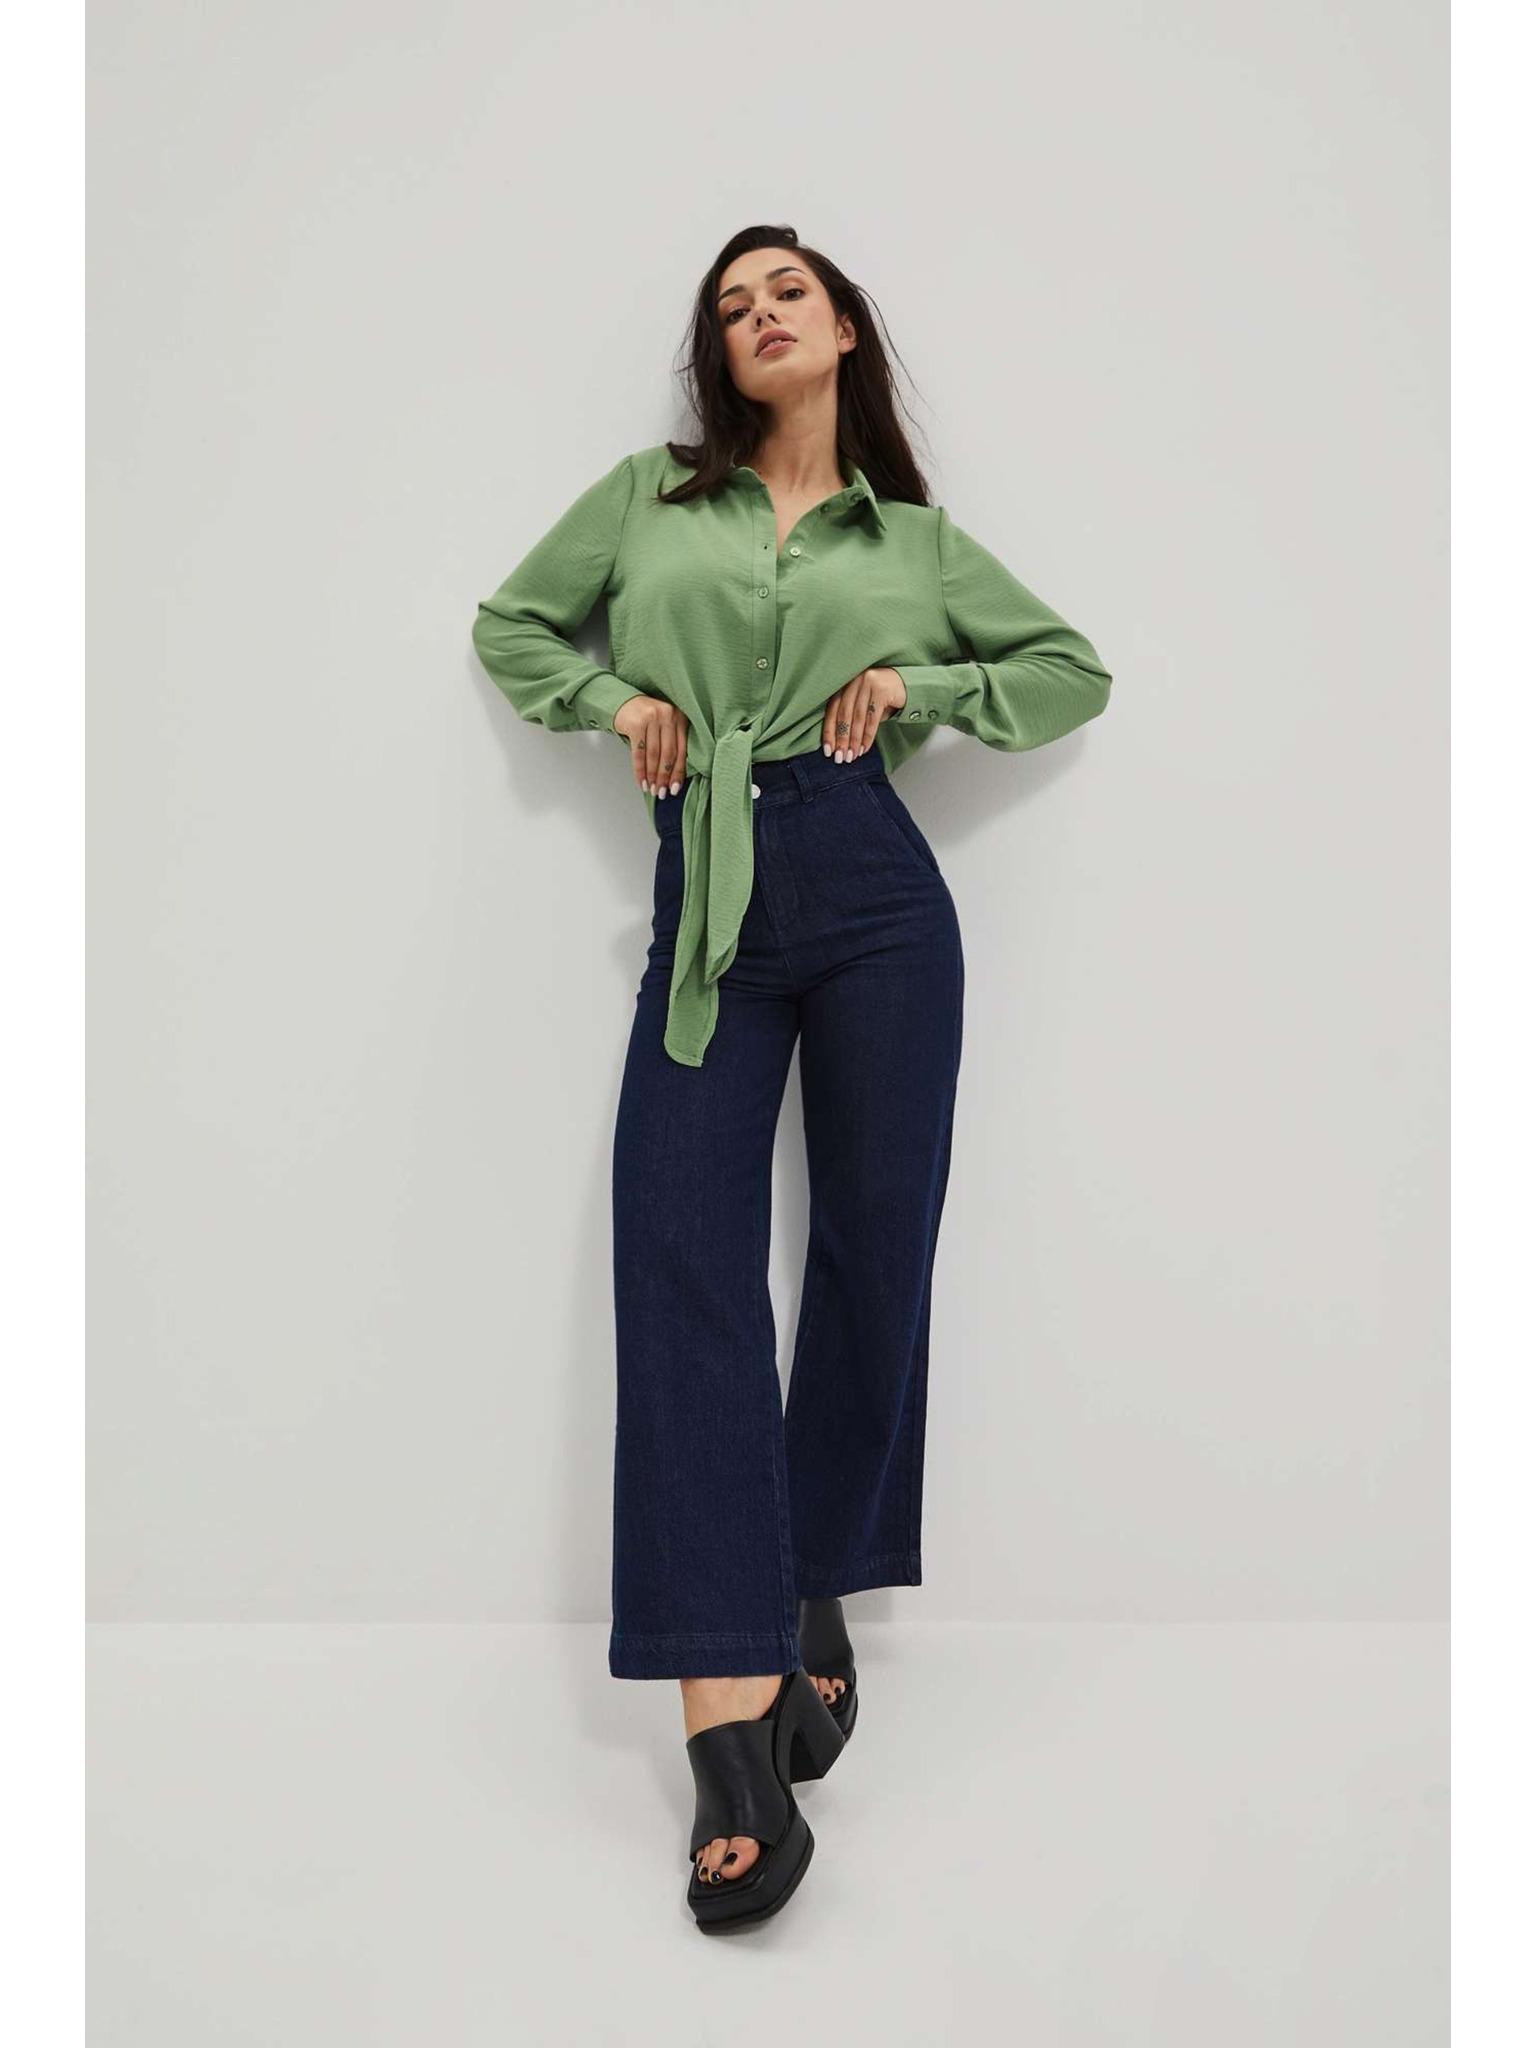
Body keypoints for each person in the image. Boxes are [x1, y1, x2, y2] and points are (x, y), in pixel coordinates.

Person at [471, 223, 1113, 1932]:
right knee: (681, 1262)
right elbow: (513, 623)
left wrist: (921, 682)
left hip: (877, 894)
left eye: (789, 296)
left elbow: (1072, 670)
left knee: (873, 1246)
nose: (759, 316)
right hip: (710, 895)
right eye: (733, 305)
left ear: (841, 334)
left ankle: (815, 1569)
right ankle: (729, 1736)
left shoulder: (914, 541)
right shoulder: (648, 501)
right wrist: (608, 703)